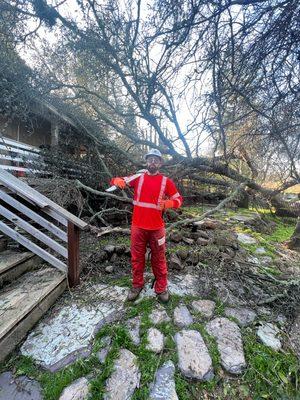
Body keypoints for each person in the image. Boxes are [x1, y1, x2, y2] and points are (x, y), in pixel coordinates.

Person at [110, 149, 183, 303]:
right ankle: (137, 285)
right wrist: (118, 181)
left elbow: (178, 200)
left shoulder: (166, 181)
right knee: (137, 258)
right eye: (150, 159)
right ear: (146, 162)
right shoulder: (138, 178)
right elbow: (116, 180)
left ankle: (161, 288)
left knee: (159, 258)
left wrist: (168, 203)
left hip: (157, 229)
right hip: (138, 227)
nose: (153, 162)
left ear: (160, 163)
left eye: (156, 160)